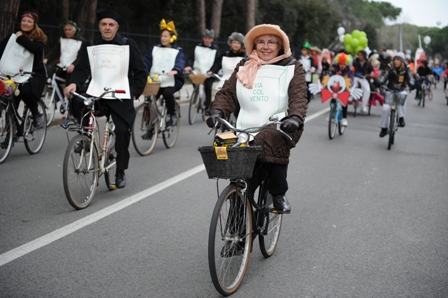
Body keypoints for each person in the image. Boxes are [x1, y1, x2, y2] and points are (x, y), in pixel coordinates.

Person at [207, 24, 308, 214]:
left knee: (269, 137)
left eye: (271, 42)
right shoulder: (245, 65)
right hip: (246, 127)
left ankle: (278, 194)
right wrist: (217, 111)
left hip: (282, 125)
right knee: (238, 173)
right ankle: (236, 225)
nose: (265, 46)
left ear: (280, 46)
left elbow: (299, 96)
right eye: (260, 42)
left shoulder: (292, 67)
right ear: (254, 45)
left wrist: (295, 117)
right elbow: (228, 92)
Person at [64, 3, 147, 189]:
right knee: (78, 99)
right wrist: (73, 83)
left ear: (116, 27)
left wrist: (133, 93)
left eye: (111, 24)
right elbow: (82, 69)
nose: (107, 28)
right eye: (103, 24)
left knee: (123, 132)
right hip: (98, 93)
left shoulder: (128, 45)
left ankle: (120, 171)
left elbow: (141, 72)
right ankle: (85, 135)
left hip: (120, 95)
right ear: (99, 26)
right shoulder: (91, 45)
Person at [0, 11, 47, 128]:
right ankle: (9, 134)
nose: (25, 23)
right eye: (23, 20)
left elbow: (35, 49)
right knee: (7, 98)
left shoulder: (39, 39)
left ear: (34, 24)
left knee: (25, 90)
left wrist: (20, 38)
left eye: (29, 21)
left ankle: (35, 113)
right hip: (13, 74)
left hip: (33, 74)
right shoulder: (13, 36)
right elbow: (2, 51)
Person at [143, 19, 185, 127]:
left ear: (172, 37)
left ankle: (172, 115)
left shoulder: (178, 50)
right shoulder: (155, 48)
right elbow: (147, 60)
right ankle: (149, 126)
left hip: (173, 81)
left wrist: (176, 70)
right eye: (162, 36)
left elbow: (180, 61)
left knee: (167, 94)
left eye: (166, 36)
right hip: (156, 81)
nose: (163, 38)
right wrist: (142, 68)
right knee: (149, 100)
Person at [379, 52, 414, 138]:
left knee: (401, 101)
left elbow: (410, 78)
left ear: (402, 61)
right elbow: (384, 76)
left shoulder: (406, 68)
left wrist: (412, 84)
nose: (396, 61)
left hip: (402, 89)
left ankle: (401, 118)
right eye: (395, 59)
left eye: (398, 59)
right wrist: (380, 82)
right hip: (390, 89)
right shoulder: (389, 66)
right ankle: (383, 128)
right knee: (385, 108)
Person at [184, 29, 220, 111]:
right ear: (203, 38)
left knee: (208, 86)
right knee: (193, 80)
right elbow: (191, 58)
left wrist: (213, 70)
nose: (207, 40)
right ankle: (196, 93)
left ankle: (207, 105)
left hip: (209, 73)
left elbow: (218, 62)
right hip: (198, 72)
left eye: (209, 38)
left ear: (212, 39)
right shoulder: (197, 47)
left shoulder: (215, 49)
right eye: (206, 38)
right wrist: (189, 65)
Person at [328, 52, 354, 127]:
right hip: (335, 87)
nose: (342, 66)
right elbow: (330, 76)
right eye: (340, 64)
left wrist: (349, 84)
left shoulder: (349, 70)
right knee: (333, 98)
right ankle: (332, 113)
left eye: (344, 64)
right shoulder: (334, 68)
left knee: (344, 101)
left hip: (345, 87)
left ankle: (344, 118)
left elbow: (351, 79)